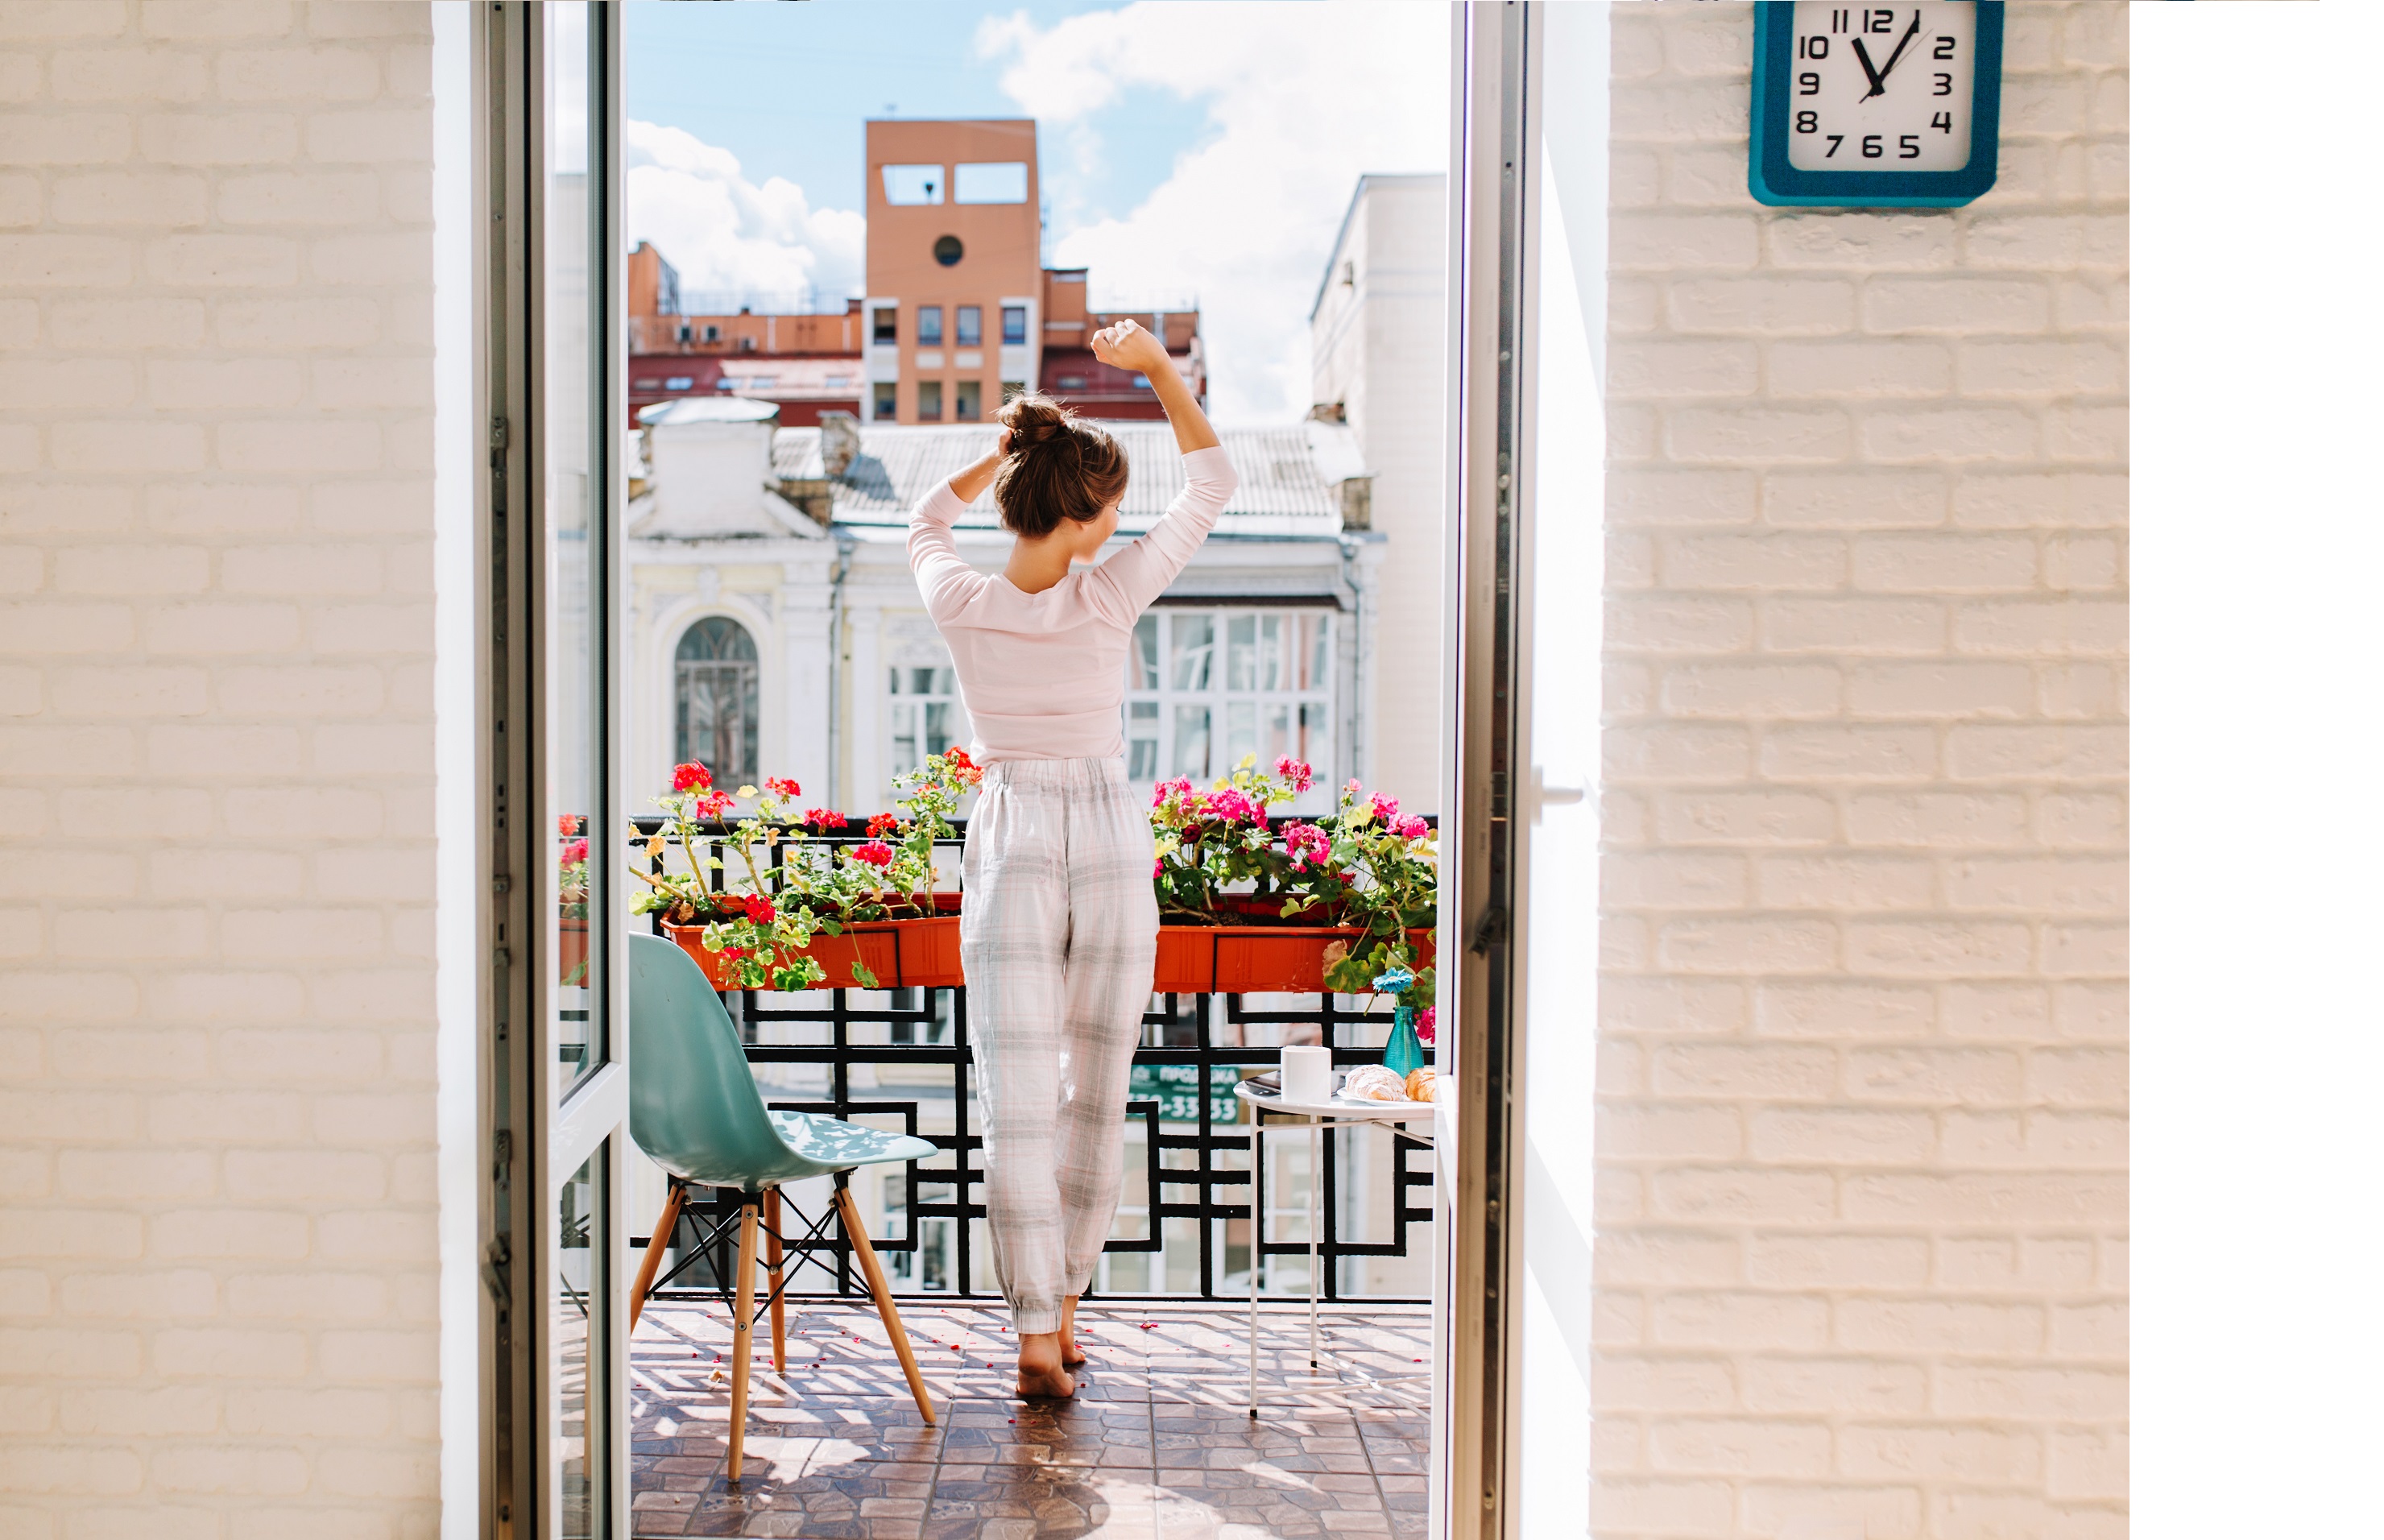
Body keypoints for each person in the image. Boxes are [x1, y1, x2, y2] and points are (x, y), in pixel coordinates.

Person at [906, 318, 1232, 1397]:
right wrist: (1157, 375)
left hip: (1012, 831)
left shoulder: (960, 600)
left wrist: (996, 456)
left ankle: (1037, 1331)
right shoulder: (1109, 592)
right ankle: (1071, 1303)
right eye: (1112, 509)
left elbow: (927, 516)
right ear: (1088, 515)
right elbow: (1214, 481)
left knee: (1016, 1094)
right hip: (1102, 829)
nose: (1119, 523)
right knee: (1097, 1085)